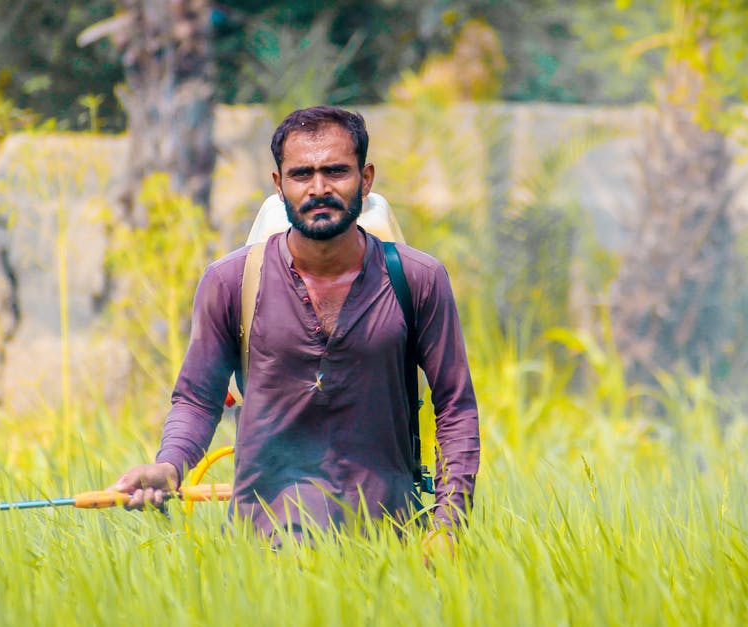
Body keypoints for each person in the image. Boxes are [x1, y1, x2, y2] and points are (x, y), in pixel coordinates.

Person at [110, 106, 479, 547]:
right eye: (302, 174)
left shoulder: (417, 279)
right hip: (264, 554)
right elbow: (196, 399)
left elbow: (455, 408)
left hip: (392, 549)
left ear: (366, 179)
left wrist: (449, 524)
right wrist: (169, 466)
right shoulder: (231, 282)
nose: (319, 188)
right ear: (278, 184)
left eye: (336, 172)